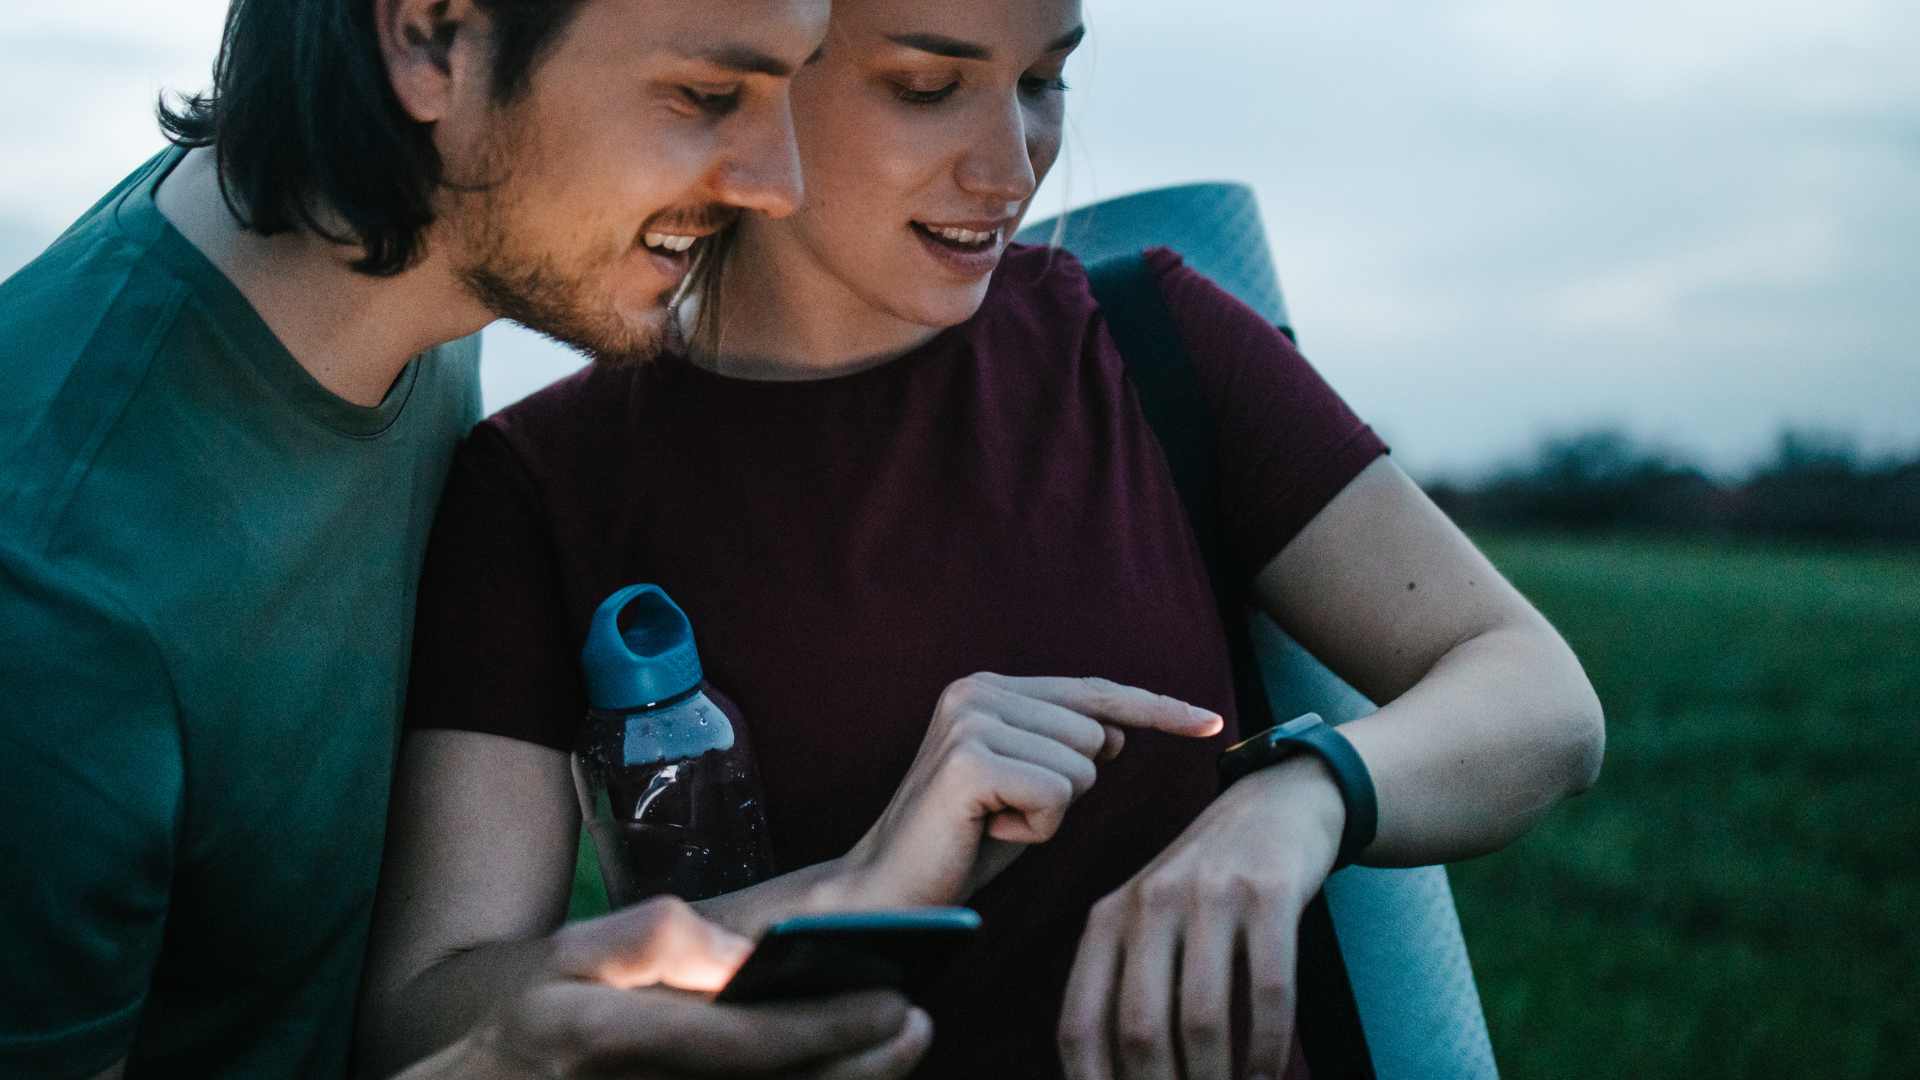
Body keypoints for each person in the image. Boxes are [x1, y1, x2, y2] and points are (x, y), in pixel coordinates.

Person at [375, 1, 1608, 1079]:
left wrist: (1302, 795)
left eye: (1043, 78)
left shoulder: (1149, 339)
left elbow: (1539, 697)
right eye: (928, 88)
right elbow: (429, 1016)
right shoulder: (542, 485)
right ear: (760, 70)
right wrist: (863, 889)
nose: (1012, 165)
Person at [0, 0, 958, 1076]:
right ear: (428, 39)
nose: (780, 184)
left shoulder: (392, 261)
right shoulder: (53, 589)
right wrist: (500, 1065)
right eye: (703, 95)